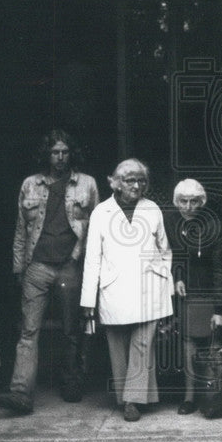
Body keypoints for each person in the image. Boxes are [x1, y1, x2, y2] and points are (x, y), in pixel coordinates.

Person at [0, 129, 99, 415]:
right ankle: (20, 394)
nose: (60, 157)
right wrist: (19, 267)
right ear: (47, 154)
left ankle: (72, 382)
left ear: (72, 153)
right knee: (29, 331)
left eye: (65, 151)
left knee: (71, 329)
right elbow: (21, 230)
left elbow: (96, 230)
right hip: (37, 266)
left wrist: (88, 266)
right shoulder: (30, 184)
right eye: (55, 152)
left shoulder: (87, 184)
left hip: (70, 265)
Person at [80, 158, 173, 422]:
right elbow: (92, 258)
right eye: (130, 180)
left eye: (141, 180)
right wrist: (88, 300)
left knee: (143, 344)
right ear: (116, 183)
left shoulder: (152, 208)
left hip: (148, 287)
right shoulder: (101, 212)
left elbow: (165, 250)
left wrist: (164, 284)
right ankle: (129, 397)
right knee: (118, 347)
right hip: (114, 289)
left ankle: (132, 400)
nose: (137, 185)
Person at [165, 179, 222, 415]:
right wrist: (178, 276)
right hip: (188, 291)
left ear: (201, 202)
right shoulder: (173, 221)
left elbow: (221, 267)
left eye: (194, 201)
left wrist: (220, 308)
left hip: (211, 291)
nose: (189, 207)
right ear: (177, 202)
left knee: (215, 343)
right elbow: (175, 254)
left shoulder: (213, 225)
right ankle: (190, 397)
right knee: (189, 343)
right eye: (183, 201)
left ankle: (217, 395)